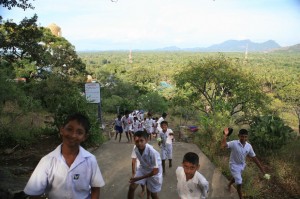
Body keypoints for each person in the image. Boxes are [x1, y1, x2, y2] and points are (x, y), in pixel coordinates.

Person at [22, 113, 105, 199]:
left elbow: (95, 189)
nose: (73, 135)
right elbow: (34, 193)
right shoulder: (47, 161)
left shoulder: (90, 160)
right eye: (69, 129)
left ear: (85, 137)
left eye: (79, 132)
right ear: (62, 130)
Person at [221, 128, 266, 199]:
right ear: (238, 136)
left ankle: (229, 185)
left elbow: (254, 158)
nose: (244, 138)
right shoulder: (234, 143)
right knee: (239, 182)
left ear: (247, 137)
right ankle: (241, 198)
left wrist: (262, 170)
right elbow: (223, 145)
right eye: (242, 136)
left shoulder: (249, 146)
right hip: (233, 165)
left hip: (242, 165)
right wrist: (225, 136)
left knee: (236, 177)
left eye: (245, 137)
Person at [127, 131, 163, 199]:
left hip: (154, 173)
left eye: (141, 140)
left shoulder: (152, 152)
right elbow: (136, 161)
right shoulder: (136, 149)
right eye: (136, 141)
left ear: (146, 140)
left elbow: (155, 171)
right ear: (134, 141)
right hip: (143, 168)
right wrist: (135, 174)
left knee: (153, 195)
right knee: (132, 187)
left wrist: (139, 178)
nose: (139, 143)